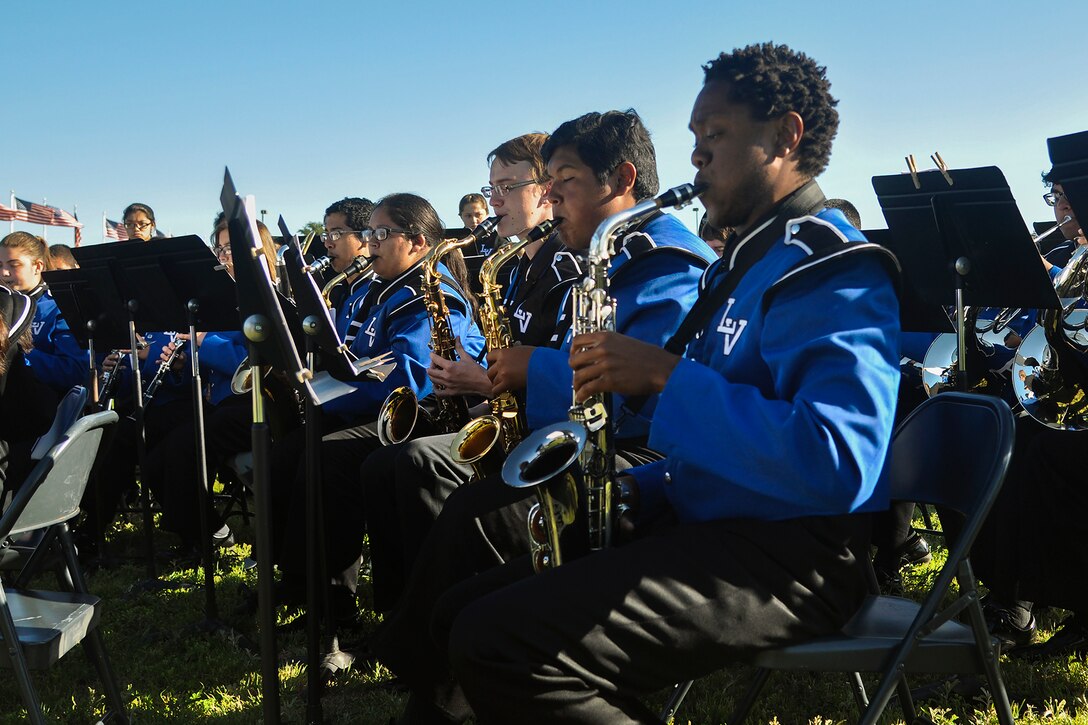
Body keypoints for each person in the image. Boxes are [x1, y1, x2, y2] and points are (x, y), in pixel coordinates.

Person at [441, 43, 900, 724]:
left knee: (502, 643)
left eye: (714, 136)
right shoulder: (740, 264)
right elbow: (719, 443)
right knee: (465, 606)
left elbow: (836, 461)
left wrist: (664, 375)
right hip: (719, 525)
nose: (695, 158)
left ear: (785, 136)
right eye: (694, 139)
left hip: (795, 560)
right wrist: (626, 488)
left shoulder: (828, 264)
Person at [372, 110, 717, 723]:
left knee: (468, 513)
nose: (548, 196)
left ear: (621, 180)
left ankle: (431, 677)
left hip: (642, 459)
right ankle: (430, 667)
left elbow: (642, 396)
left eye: (563, 180)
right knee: (454, 503)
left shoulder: (663, 261)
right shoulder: (604, 253)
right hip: (587, 441)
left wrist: (535, 370)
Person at [361, 132, 584, 612]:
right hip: (510, 412)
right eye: (491, 189)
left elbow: (571, 374)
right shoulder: (516, 267)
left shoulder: (569, 267)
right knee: (382, 464)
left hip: (556, 431)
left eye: (507, 187)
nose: (494, 201)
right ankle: (398, 606)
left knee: (419, 462)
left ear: (547, 192)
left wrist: (482, 383)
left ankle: (436, 610)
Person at [269, 193, 485, 622]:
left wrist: (336, 393)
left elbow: (411, 377)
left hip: (421, 414)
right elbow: (356, 356)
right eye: (369, 234)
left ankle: (336, 604)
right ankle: (299, 583)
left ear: (418, 241)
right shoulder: (380, 287)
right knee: (289, 450)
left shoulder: (429, 291)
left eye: (382, 234)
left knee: (329, 459)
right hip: (380, 406)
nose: (371, 243)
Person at [971, 169, 1088, 659]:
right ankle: (1012, 596)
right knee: (1003, 437)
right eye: (1055, 198)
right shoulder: (1070, 258)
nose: (1059, 209)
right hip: (1074, 392)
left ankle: (1048, 596)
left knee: (1044, 450)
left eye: (1065, 198)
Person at [0, 232, 87, 397]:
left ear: (38, 266)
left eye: (14, 265)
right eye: (0, 265)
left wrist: (14, 353)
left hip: (43, 409)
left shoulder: (60, 307)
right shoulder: (2, 304)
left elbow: (74, 371)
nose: (4, 272)